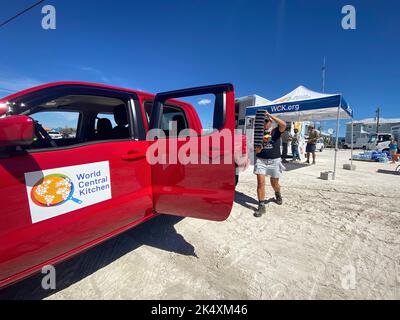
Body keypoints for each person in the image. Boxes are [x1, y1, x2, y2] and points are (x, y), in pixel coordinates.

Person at [254, 112, 286, 217]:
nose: (264, 123)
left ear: (270, 122)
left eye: (266, 121)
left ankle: (277, 194)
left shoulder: (276, 131)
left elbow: (284, 125)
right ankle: (261, 206)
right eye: (263, 121)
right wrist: (261, 144)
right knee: (260, 183)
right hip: (261, 160)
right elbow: (257, 151)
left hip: (274, 161)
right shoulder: (258, 133)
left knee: (274, 183)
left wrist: (270, 116)